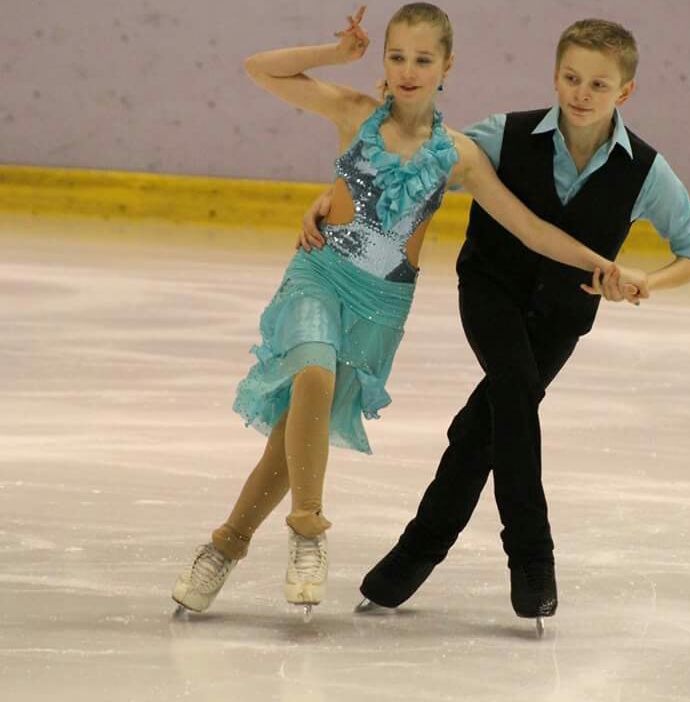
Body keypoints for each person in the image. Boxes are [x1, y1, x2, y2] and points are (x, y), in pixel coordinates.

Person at [171, 3, 643, 618]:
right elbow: (260, 68)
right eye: (396, 57)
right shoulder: (355, 113)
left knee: (293, 435)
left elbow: (530, 230)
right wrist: (336, 54)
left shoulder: (457, 154)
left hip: (382, 303)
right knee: (313, 371)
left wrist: (603, 266)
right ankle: (308, 530)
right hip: (320, 271)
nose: (408, 70)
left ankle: (225, 545)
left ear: (447, 66)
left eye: (423, 59)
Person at [301, 18, 690, 626]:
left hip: (561, 317)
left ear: (625, 91)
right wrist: (332, 197)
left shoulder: (646, 172)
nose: (581, 93)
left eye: (598, 85)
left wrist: (649, 280)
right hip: (490, 292)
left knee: (484, 426)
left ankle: (411, 558)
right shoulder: (504, 135)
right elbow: (414, 162)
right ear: (555, 75)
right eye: (571, 78)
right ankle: (533, 560)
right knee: (515, 388)